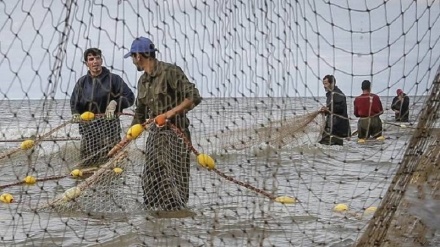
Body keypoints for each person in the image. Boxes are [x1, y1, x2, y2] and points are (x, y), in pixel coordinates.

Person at [122, 37, 202, 211]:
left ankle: (176, 222)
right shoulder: (143, 81)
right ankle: (154, 226)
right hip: (155, 138)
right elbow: (140, 114)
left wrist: (168, 114)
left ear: (138, 56)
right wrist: (126, 141)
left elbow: (194, 96)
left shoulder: (170, 72)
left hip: (177, 135)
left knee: (174, 184)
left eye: (132, 57)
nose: (133, 61)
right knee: (151, 182)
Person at [70, 48, 135, 167]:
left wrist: (115, 104)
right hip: (88, 132)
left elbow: (130, 97)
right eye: (91, 59)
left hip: (109, 131)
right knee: (87, 166)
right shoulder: (82, 82)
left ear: (101, 60)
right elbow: (74, 101)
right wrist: (75, 112)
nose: (95, 61)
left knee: (112, 166)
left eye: (97, 58)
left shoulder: (114, 79)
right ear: (86, 63)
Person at [318, 75, 351, 146]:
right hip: (333, 127)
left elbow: (340, 108)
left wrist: (328, 109)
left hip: (335, 128)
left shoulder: (337, 94)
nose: (324, 86)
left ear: (332, 83)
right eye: (324, 84)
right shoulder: (331, 94)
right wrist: (326, 110)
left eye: (326, 83)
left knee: (324, 145)